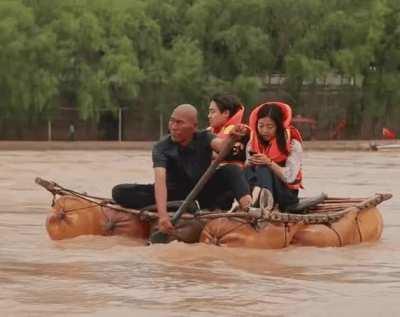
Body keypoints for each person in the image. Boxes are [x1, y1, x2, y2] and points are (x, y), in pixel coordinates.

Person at [112, 104, 252, 234]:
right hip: (174, 194)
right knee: (119, 191)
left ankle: (249, 209)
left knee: (232, 170)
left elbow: (222, 147)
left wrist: (232, 138)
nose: (173, 126)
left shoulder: (204, 137)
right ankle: (177, 207)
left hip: (201, 190)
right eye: (172, 121)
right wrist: (163, 217)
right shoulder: (162, 147)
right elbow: (160, 182)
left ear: (193, 126)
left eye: (179, 123)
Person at [244, 102, 303, 211]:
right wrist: (249, 163)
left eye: (270, 126)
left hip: (285, 193)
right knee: (248, 169)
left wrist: (269, 163)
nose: (264, 131)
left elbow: (290, 177)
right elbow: (247, 167)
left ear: (279, 126)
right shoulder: (252, 142)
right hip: (258, 187)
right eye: (261, 126)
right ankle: (252, 200)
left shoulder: (293, 143)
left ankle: (265, 204)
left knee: (263, 167)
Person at [208, 94, 248, 165]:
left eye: (212, 112)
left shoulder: (242, 131)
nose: (209, 116)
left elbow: (233, 154)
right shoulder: (208, 132)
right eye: (209, 112)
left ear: (226, 113)